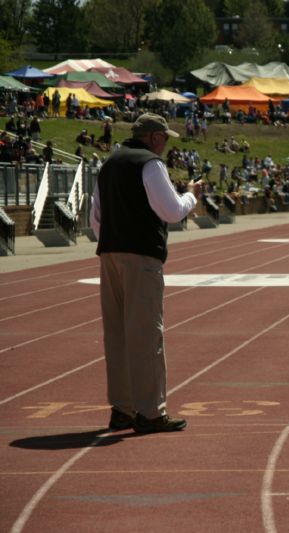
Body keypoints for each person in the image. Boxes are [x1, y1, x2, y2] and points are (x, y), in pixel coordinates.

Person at [89, 113, 201, 434]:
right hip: (141, 256)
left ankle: (122, 409)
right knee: (146, 335)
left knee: (117, 335)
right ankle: (151, 412)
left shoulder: (109, 163)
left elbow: (95, 217)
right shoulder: (151, 164)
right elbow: (172, 211)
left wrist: (114, 242)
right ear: (153, 137)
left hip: (109, 253)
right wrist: (192, 194)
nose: (166, 145)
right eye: (164, 138)